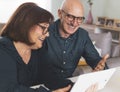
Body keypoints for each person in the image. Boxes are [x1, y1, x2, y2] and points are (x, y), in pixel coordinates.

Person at [0, 2, 75, 92]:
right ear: (26, 25)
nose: (47, 34)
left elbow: (50, 76)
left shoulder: (37, 49)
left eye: (48, 29)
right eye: (44, 28)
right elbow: (8, 89)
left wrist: (74, 87)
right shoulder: (3, 50)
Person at [39, 0, 109, 79]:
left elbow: (95, 59)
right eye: (70, 17)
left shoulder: (83, 36)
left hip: (67, 84)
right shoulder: (44, 32)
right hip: (41, 85)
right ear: (60, 13)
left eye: (79, 18)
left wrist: (101, 67)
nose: (74, 23)